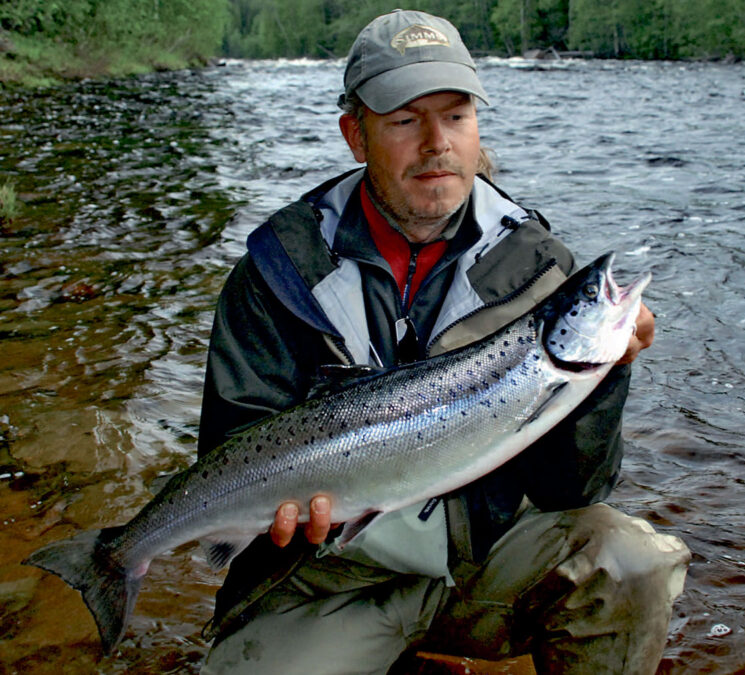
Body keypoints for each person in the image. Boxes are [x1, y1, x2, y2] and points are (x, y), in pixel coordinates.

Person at [197, 9, 689, 674]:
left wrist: (610, 371)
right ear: (355, 134)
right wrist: (280, 518)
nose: (436, 142)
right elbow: (231, 450)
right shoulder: (281, 269)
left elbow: (575, 489)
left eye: (455, 115)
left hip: (478, 563)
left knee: (630, 564)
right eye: (405, 119)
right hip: (326, 576)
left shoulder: (539, 268)